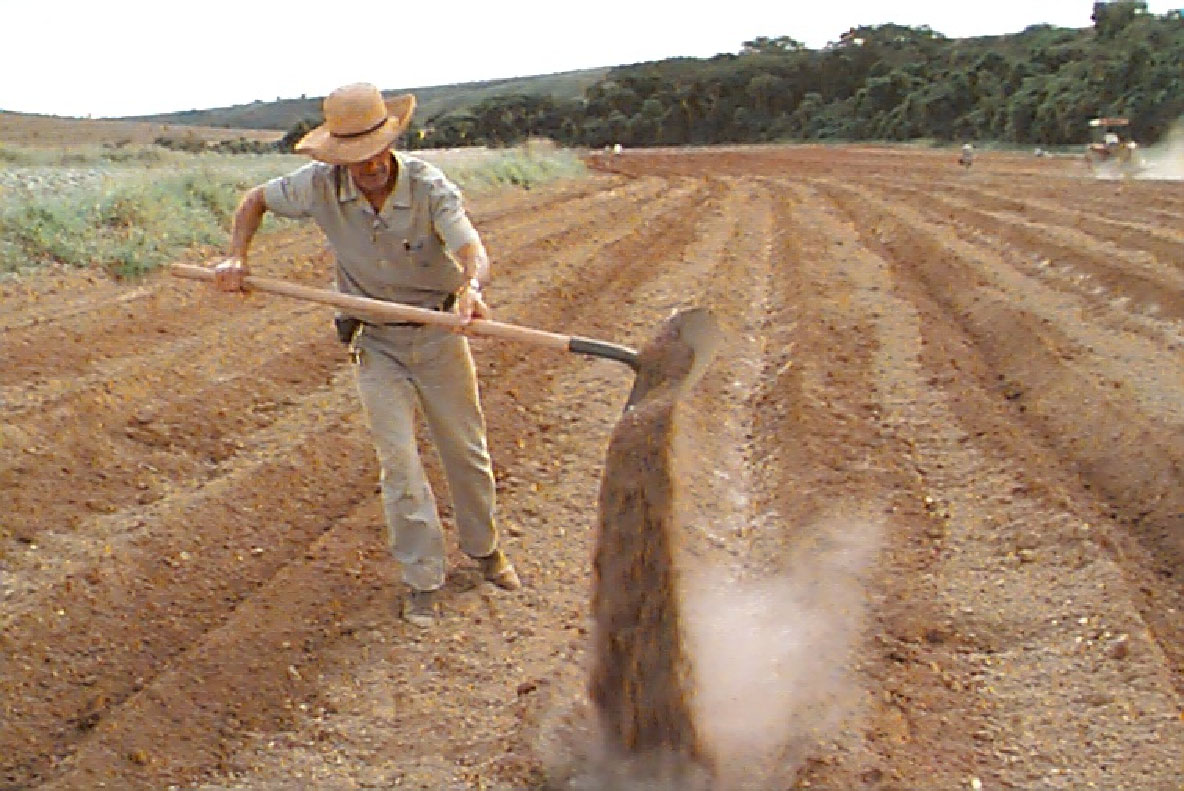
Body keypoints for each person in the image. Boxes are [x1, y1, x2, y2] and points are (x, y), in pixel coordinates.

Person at [212, 82, 520, 628]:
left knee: (466, 453)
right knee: (398, 464)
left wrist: (471, 288)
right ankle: (424, 577)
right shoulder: (318, 185)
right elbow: (253, 200)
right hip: (377, 342)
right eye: (355, 157)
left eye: (376, 151)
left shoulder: (427, 184)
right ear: (338, 157)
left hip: (439, 337)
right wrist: (235, 257)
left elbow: (471, 246)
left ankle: (485, 550)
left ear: (391, 140)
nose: (370, 165)